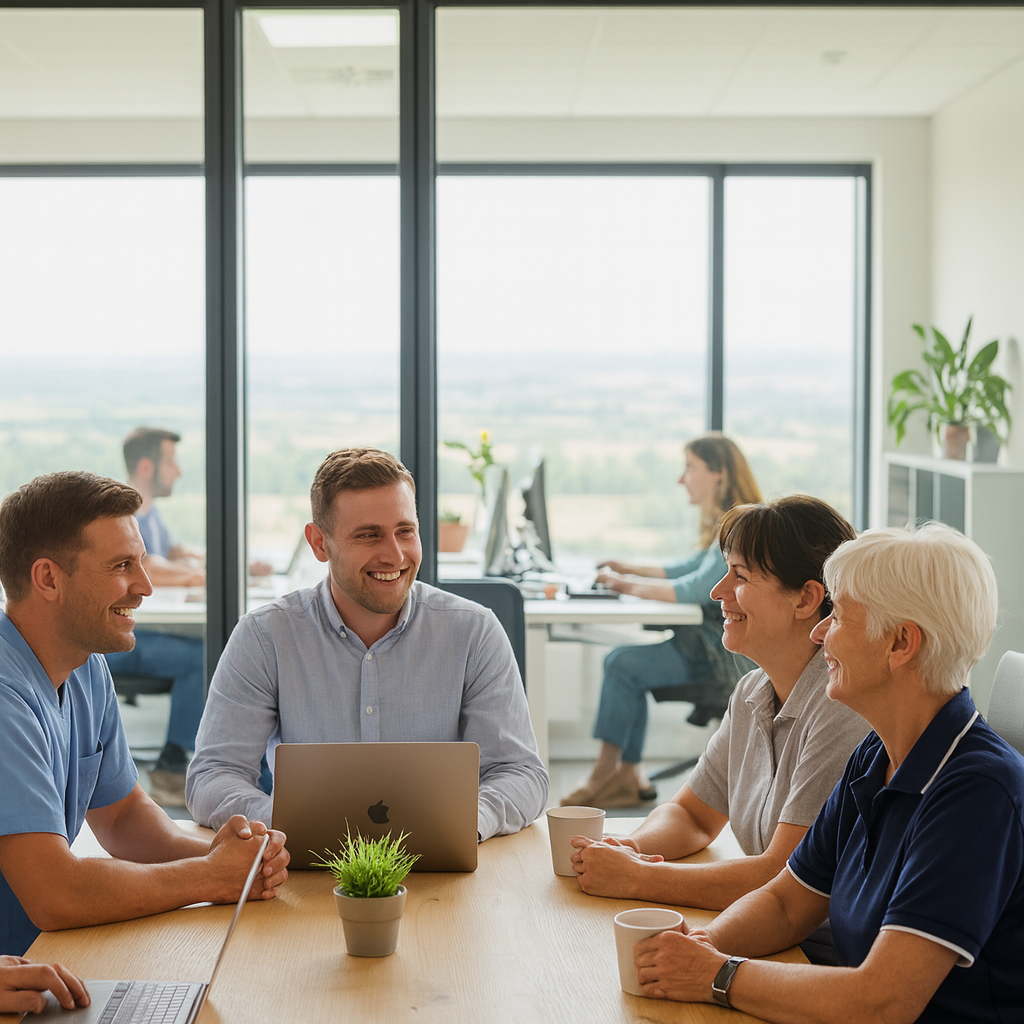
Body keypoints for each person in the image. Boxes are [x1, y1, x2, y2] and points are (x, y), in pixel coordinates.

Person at [630, 523, 1024, 1022]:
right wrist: (703, 945)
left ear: (900, 642)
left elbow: (883, 1001)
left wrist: (716, 974)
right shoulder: (876, 755)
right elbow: (786, 904)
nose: (819, 631)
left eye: (838, 616)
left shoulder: (978, 793)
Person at [186, 447, 548, 841]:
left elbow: (520, 773)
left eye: (405, 531)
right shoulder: (265, 636)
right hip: (307, 861)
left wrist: (463, 823)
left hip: (440, 861)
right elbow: (213, 775)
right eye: (369, 535)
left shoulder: (474, 631)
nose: (395, 554)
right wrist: (289, 823)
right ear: (319, 543)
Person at [0, 472, 289, 957]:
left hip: (50, 955)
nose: (146, 586)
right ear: (48, 578)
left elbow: (122, 816)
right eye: (122, 565)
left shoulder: (85, 666)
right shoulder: (6, 695)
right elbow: (57, 893)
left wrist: (233, 857)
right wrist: (209, 876)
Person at [571, 495, 870, 961]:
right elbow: (692, 815)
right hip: (771, 937)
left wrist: (640, 877)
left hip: (819, 955)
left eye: (740, 576)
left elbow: (782, 875)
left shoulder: (841, 707)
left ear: (806, 599)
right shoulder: (753, 690)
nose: (717, 591)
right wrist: (629, 848)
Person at [562, 434, 762, 808]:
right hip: (705, 644)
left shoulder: (740, 525)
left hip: (720, 657)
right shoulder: (732, 520)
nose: (681, 478)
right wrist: (628, 569)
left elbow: (696, 587)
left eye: (690, 467)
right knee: (625, 666)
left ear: (718, 473)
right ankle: (627, 774)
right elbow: (688, 568)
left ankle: (607, 773)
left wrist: (622, 583)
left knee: (622, 665)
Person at [103, 427, 206, 807]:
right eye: (171, 462)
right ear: (146, 467)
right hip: (125, 636)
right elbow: (147, 565)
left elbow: (172, 552)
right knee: (203, 656)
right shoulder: (125, 514)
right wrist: (201, 576)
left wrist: (233, 563)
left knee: (209, 647)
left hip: (145, 631)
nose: (178, 471)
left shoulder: (149, 512)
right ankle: (171, 768)